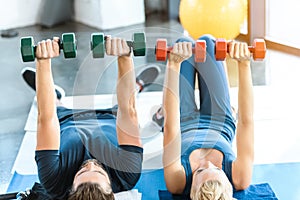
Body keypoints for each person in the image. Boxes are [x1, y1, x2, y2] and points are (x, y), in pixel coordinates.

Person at [21, 36, 159, 200]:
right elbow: (128, 112)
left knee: (54, 105)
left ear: (71, 188)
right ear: (112, 189)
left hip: (67, 118)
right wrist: (124, 57)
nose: (92, 164)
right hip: (112, 117)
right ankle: (137, 86)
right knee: (128, 102)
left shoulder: (54, 181)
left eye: (83, 170)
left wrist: (43, 61)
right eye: (99, 171)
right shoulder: (126, 175)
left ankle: (53, 94)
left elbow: (46, 117)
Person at [156, 35, 254, 199]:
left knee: (183, 44)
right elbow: (246, 122)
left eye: (200, 170)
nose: (207, 162)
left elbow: (171, 128)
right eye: (217, 168)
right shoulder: (240, 177)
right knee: (208, 44)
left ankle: (159, 113)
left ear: (191, 189)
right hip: (221, 120)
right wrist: (244, 63)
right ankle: (230, 109)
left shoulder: (177, 181)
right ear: (228, 183)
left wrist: (173, 64)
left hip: (182, 121)